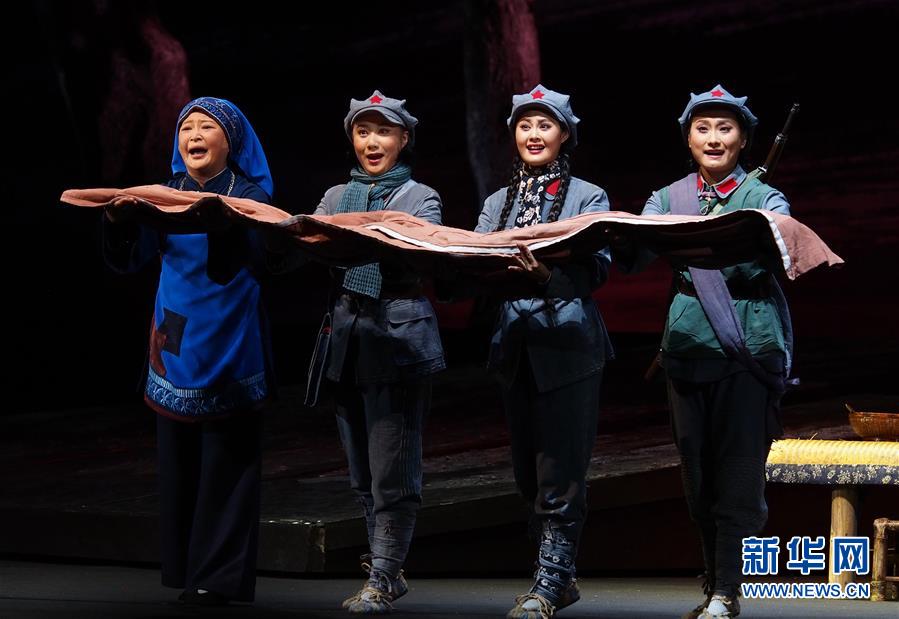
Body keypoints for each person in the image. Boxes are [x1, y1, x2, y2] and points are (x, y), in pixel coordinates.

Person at [622, 84, 793, 619]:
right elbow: (633, 255)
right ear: (688, 139)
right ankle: (713, 582)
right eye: (703, 128)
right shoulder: (666, 198)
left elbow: (785, 246)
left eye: (725, 128)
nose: (714, 138)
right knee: (696, 472)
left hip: (746, 344)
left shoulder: (765, 197)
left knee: (738, 470)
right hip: (688, 346)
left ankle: (727, 590)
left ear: (743, 139)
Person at [103, 96, 275, 606]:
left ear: (231, 140)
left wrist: (224, 226)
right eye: (186, 128)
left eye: (206, 127)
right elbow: (131, 260)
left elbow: (262, 262)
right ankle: (183, 569)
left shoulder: (249, 196)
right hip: (175, 341)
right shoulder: (164, 194)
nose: (194, 135)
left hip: (230, 337)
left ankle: (216, 579)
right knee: (179, 465)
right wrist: (117, 223)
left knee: (227, 462)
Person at [474, 84, 613, 619]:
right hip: (514, 346)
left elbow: (596, 269)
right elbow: (476, 258)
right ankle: (560, 577)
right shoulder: (496, 203)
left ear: (565, 135)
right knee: (527, 474)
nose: (534, 134)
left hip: (569, 347)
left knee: (562, 469)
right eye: (525, 125)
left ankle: (550, 581)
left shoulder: (588, 197)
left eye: (545, 125)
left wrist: (547, 276)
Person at [313, 90, 445, 615]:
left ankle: (385, 576)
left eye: (383, 132)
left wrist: (356, 239)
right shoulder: (334, 196)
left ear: (403, 138)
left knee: (394, 469)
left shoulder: (421, 196)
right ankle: (384, 568)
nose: (372, 142)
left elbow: (418, 254)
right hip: (347, 341)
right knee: (360, 473)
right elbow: (314, 243)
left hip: (399, 341)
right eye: (363, 132)